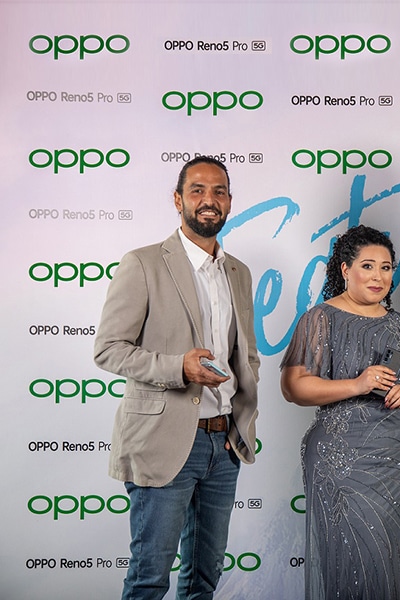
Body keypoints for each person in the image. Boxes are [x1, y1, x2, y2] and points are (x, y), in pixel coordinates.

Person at [94, 156, 260, 599]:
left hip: (223, 445)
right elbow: (108, 349)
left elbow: (246, 357)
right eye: (197, 190)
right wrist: (177, 368)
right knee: (149, 580)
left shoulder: (239, 272)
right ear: (178, 200)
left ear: (229, 201)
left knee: (203, 581)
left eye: (219, 191)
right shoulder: (143, 263)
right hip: (164, 443)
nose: (209, 200)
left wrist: (241, 424)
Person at [280, 224, 400, 600]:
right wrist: (357, 384)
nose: (378, 276)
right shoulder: (321, 318)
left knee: (395, 562)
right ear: (346, 269)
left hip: (398, 462)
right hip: (343, 463)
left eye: (386, 267)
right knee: (353, 563)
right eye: (367, 266)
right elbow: (294, 387)